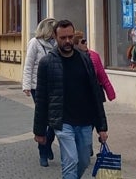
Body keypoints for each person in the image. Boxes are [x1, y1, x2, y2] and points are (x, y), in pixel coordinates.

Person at [33, 19, 108, 179]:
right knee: (70, 161)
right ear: (55, 36)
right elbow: (41, 99)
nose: (67, 41)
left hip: (85, 122)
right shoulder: (47, 63)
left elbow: (95, 92)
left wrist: (102, 126)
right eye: (63, 38)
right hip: (63, 122)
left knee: (83, 160)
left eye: (70, 37)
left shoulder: (85, 59)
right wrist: (39, 131)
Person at [22, 17, 57, 167]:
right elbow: (28, 65)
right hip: (38, 87)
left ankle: (48, 142)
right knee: (43, 118)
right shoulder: (34, 43)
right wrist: (26, 85)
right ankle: (42, 151)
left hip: (55, 86)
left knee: (56, 120)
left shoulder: (56, 44)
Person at [73, 31, 116, 102]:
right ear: (76, 45)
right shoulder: (73, 57)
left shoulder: (94, 56)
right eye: (83, 42)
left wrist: (110, 93)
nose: (86, 43)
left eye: (85, 41)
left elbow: (103, 76)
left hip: (94, 92)